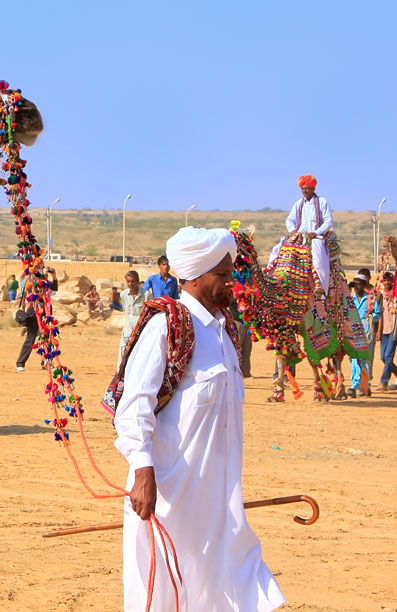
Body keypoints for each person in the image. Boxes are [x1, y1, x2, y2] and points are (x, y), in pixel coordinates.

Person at [112, 227, 285, 611]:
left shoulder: (226, 333)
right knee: (166, 593)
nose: (230, 282)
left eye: (231, 273)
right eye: (222, 275)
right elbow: (134, 405)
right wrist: (142, 472)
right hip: (172, 498)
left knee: (231, 585)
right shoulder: (167, 327)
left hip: (221, 502)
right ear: (196, 277)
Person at [269, 175, 334, 294]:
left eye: (307, 188)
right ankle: (270, 277)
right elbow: (290, 220)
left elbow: (328, 221)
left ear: (313, 188)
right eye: (302, 188)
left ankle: (321, 288)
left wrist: (316, 233)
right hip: (298, 236)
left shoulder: (322, 202)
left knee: (318, 257)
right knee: (277, 249)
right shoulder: (298, 204)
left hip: (315, 237)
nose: (304, 191)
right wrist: (293, 230)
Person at [347, 269, 379, 397]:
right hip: (353, 332)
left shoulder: (371, 300)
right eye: (355, 285)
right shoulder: (350, 300)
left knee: (363, 359)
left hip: (366, 332)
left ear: (364, 285)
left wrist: (371, 317)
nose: (356, 287)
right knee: (354, 358)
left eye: (359, 284)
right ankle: (361, 385)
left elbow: (377, 314)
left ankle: (359, 385)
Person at [375, 272, 397, 391]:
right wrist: (378, 331)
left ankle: (384, 382)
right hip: (384, 330)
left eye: (389, 280)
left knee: (388, 357)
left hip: (394, 330)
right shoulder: (381, 296)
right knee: (383, 357)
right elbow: (380, 315)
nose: (387, 283)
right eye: (385, 281)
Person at [117, 270, 151, 363]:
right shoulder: (123, 295)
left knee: (139, 356)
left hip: (141, 331)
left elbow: (150, 313)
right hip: (127, 331)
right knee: (123, 354)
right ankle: (120, 375)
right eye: (128, 281)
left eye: (133, 281)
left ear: (137, 281)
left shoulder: (146, 295)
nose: (131, 284)